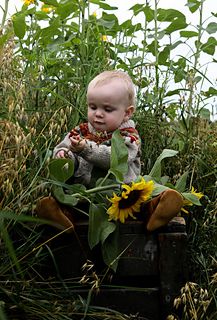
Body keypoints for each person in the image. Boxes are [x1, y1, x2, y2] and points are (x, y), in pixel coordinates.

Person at [35, 70, 183, 233]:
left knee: (144, 199)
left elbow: (114, 159)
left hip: (122, 197)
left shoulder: (129, 137)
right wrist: (65, 156)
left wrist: (85, 148)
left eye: (107, 109)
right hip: (86, 194)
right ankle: (61, 216)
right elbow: (64, 147)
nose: (98, 114)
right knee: (68, 199)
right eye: (93, 107)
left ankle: (159, 206)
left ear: (127, 113)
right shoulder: (81, 131)